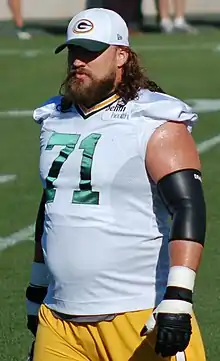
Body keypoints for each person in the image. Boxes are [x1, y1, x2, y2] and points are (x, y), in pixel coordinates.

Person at [25, 7, 207, 361]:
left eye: (92, 52)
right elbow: (51, 203)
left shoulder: (154, 120)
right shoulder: (54, 118)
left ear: (122, 55)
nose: (79, 61)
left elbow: (189, 206)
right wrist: (37, 286)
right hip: (60, 321)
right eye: (74, 51)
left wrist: (179, 296)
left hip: (138, 316)